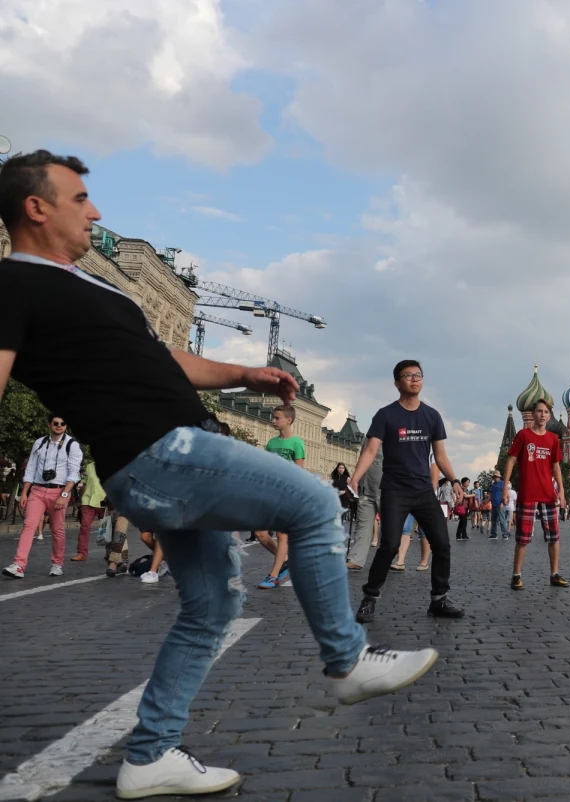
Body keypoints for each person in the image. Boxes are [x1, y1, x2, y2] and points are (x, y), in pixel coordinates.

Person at [0, 149, 438, 795]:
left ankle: (149, 757)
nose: (95, 211)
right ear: (36, 209)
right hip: (162, 452)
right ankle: (346, 661)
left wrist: (242, 373)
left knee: (210, 607)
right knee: (315, 504)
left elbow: (161, 360)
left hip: (166, 455)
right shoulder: (14, 283)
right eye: (78, 200)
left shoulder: (85, 285)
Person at [350, 359, 464, 623]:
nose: (414, 379)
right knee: (389, 544)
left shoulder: (432, 416)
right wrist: (356, 477)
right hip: (395, 490)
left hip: (423, 490)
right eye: (408, 375)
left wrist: (455, 481)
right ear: (397, 383)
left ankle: (439, 600)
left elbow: (440, 456)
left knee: (442, 544)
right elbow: (370, 450)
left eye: (418, 375)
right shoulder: (385, 415)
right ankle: (370, 598)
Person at [3, 413, 81, 578]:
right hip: (37, 490)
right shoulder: (39, 443)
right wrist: (24, 493)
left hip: (59, 491)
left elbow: (74, 474)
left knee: (57, 529)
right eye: (56, 423)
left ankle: (57, 564)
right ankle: (18, 565)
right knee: (28, 526)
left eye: (63, 423)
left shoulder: (72, 445)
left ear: (66, 426)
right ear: (49, 425)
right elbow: (30, 468)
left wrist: (65, 494)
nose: (59, 425)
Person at [502, 398, 568, 589]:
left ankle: (554, 574)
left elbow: (556, 467)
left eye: (546, 412)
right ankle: (516, 574)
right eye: (539, 411)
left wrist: (561, 491)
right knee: (523, 537)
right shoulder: (523, 435)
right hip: (528, 492)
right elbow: (511, 461)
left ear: (549, 415)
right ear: (532, 414)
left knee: (554, 536)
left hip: (548, 493)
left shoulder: (553, 439)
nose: (542, 415)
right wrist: (506, 486)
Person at [251, 405, 305, 589]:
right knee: (260, 533)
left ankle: (273, 575)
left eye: (276, 418)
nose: (273, 421)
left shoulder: (297, 443)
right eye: (273, 418)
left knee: (283, 535)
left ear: (288, 420)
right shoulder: (271, 444)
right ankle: (286, 560)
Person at [345, 445, 383, 570]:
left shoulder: (393, 435)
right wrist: (355, 480)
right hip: (365, 489)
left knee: (391, 528)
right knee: (362, 526)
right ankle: (356, 559)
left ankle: (393, 558)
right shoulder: (367, 439)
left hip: (387, 489)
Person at [73, 457, 107, 562]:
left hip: (104, 501)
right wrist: (80, 500)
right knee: (84, 527)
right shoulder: (89, 466)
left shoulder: (111, 465)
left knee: (107, 529)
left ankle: (109, 552)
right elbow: (84, 483)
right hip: (88, 501)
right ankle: (81, 553)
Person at [489, 469, 509, 539]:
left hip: (500, 504)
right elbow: (491, 495)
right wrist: (486, 501)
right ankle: (494, 534)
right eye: (494, 476)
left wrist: (503, 503)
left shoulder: (502, 484)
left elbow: (506, 494)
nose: (495, 478)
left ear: (499, 477)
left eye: (497, 476)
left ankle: (505, 534)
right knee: (493, 520)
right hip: (494, 504)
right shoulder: (493, 485)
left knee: (502, 520)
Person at [454, 476, 472, 541]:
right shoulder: (462, 488)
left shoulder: (465, 489)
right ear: (463, 482)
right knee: (464, 521)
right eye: (467, 482)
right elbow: (465, 495)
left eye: (469, 482)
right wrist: (473, 495)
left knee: (462, 521)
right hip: (463, 507)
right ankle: (464, 535)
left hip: (465, 507)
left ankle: (459, 535)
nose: (468, 483)